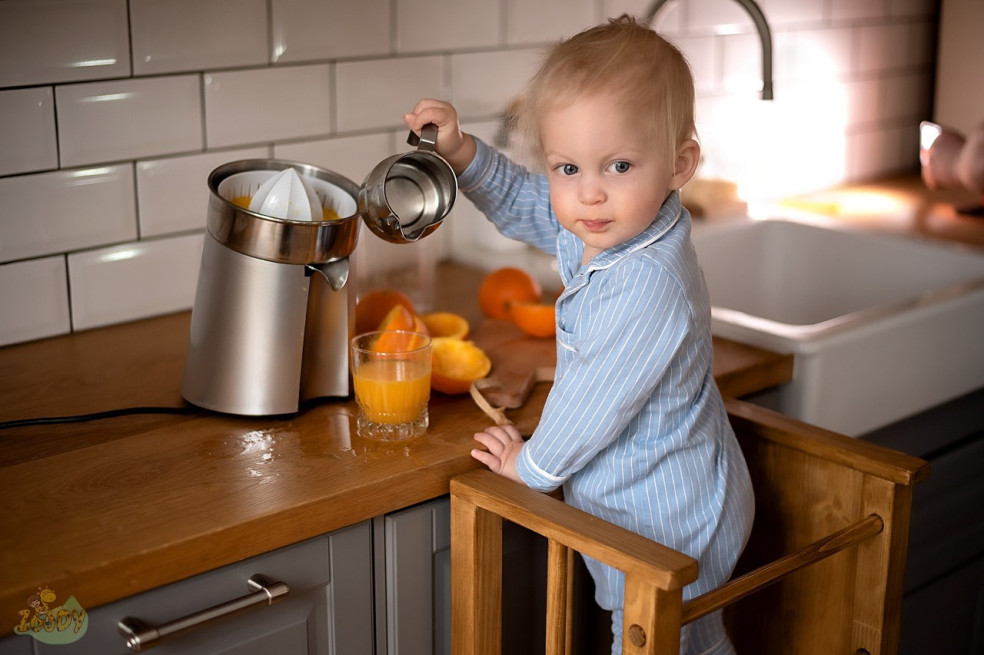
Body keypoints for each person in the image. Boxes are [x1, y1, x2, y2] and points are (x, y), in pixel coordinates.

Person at [404, 15, 753, 655]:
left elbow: (592, 401)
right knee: (692, 643)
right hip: (663, 496)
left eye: (618, 165)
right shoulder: (622, 223)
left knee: (653, 642)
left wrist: (527, 466)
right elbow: (532, 204)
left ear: (681, 164)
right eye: (567, 167)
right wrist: (461, 155)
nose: (588, 194)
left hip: (667, 522)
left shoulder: (644, 283)